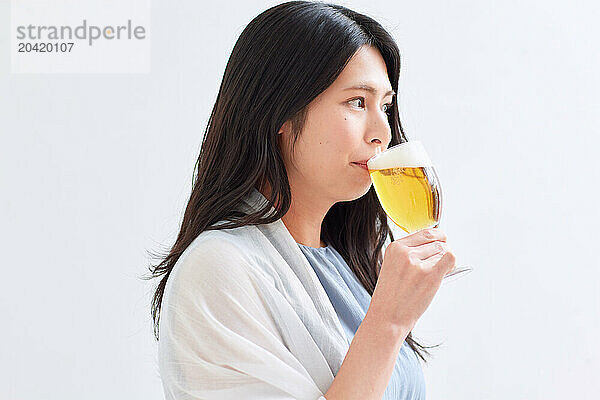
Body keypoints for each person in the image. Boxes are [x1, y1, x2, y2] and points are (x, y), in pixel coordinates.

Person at [147, 1, 456, 399]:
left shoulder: (348, 264)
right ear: (280, 109)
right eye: (357, 102)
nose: (383, 132)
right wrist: (388, 322)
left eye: (386, 106)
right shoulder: (218, 267)